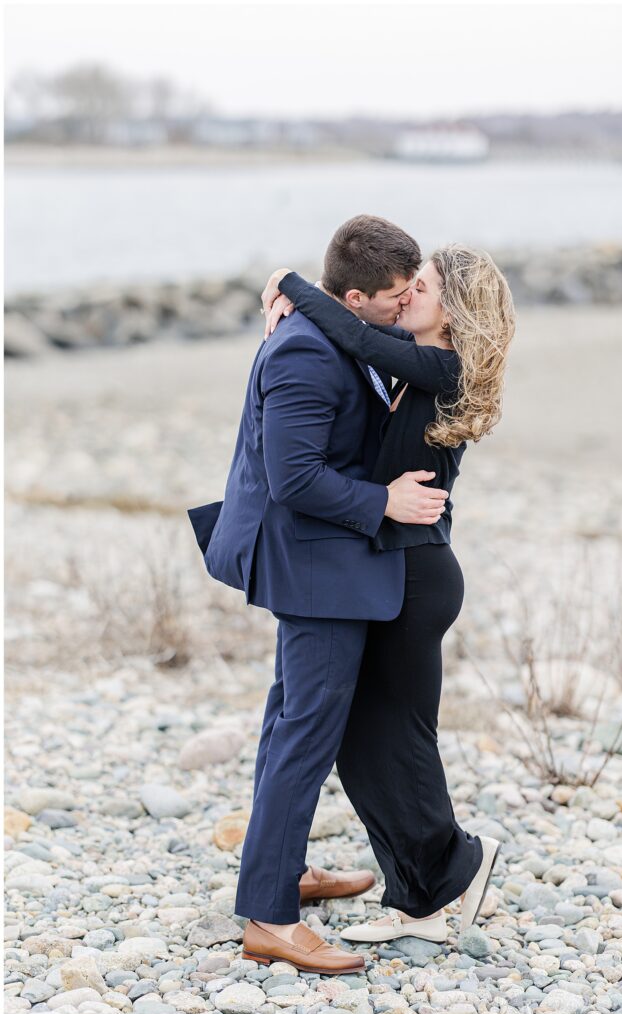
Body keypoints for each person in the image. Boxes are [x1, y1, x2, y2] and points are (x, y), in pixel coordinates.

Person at [186, 215, 452, 974]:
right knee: (306, 733)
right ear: (358, 295)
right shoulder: (305, 349)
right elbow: (291, 477)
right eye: (397, 296)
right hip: (316, 572)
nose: (406, 307)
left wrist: (285, 284)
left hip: (326, 566)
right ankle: (268, 917)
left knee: (287, 723)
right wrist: (382, 503)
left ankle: (281, 872)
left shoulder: (338, 327)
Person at [259, 241, 516, 944]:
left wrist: (287, 283)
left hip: (416, 575)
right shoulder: (413, 363)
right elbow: (352, 334)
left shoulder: (439, 365)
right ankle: (417, 898)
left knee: (391, 738)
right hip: (398, 567)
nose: (406, 298)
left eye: (422, 290)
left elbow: (347, 328)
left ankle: (453, 865)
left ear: (452, 314)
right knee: (370, 737)